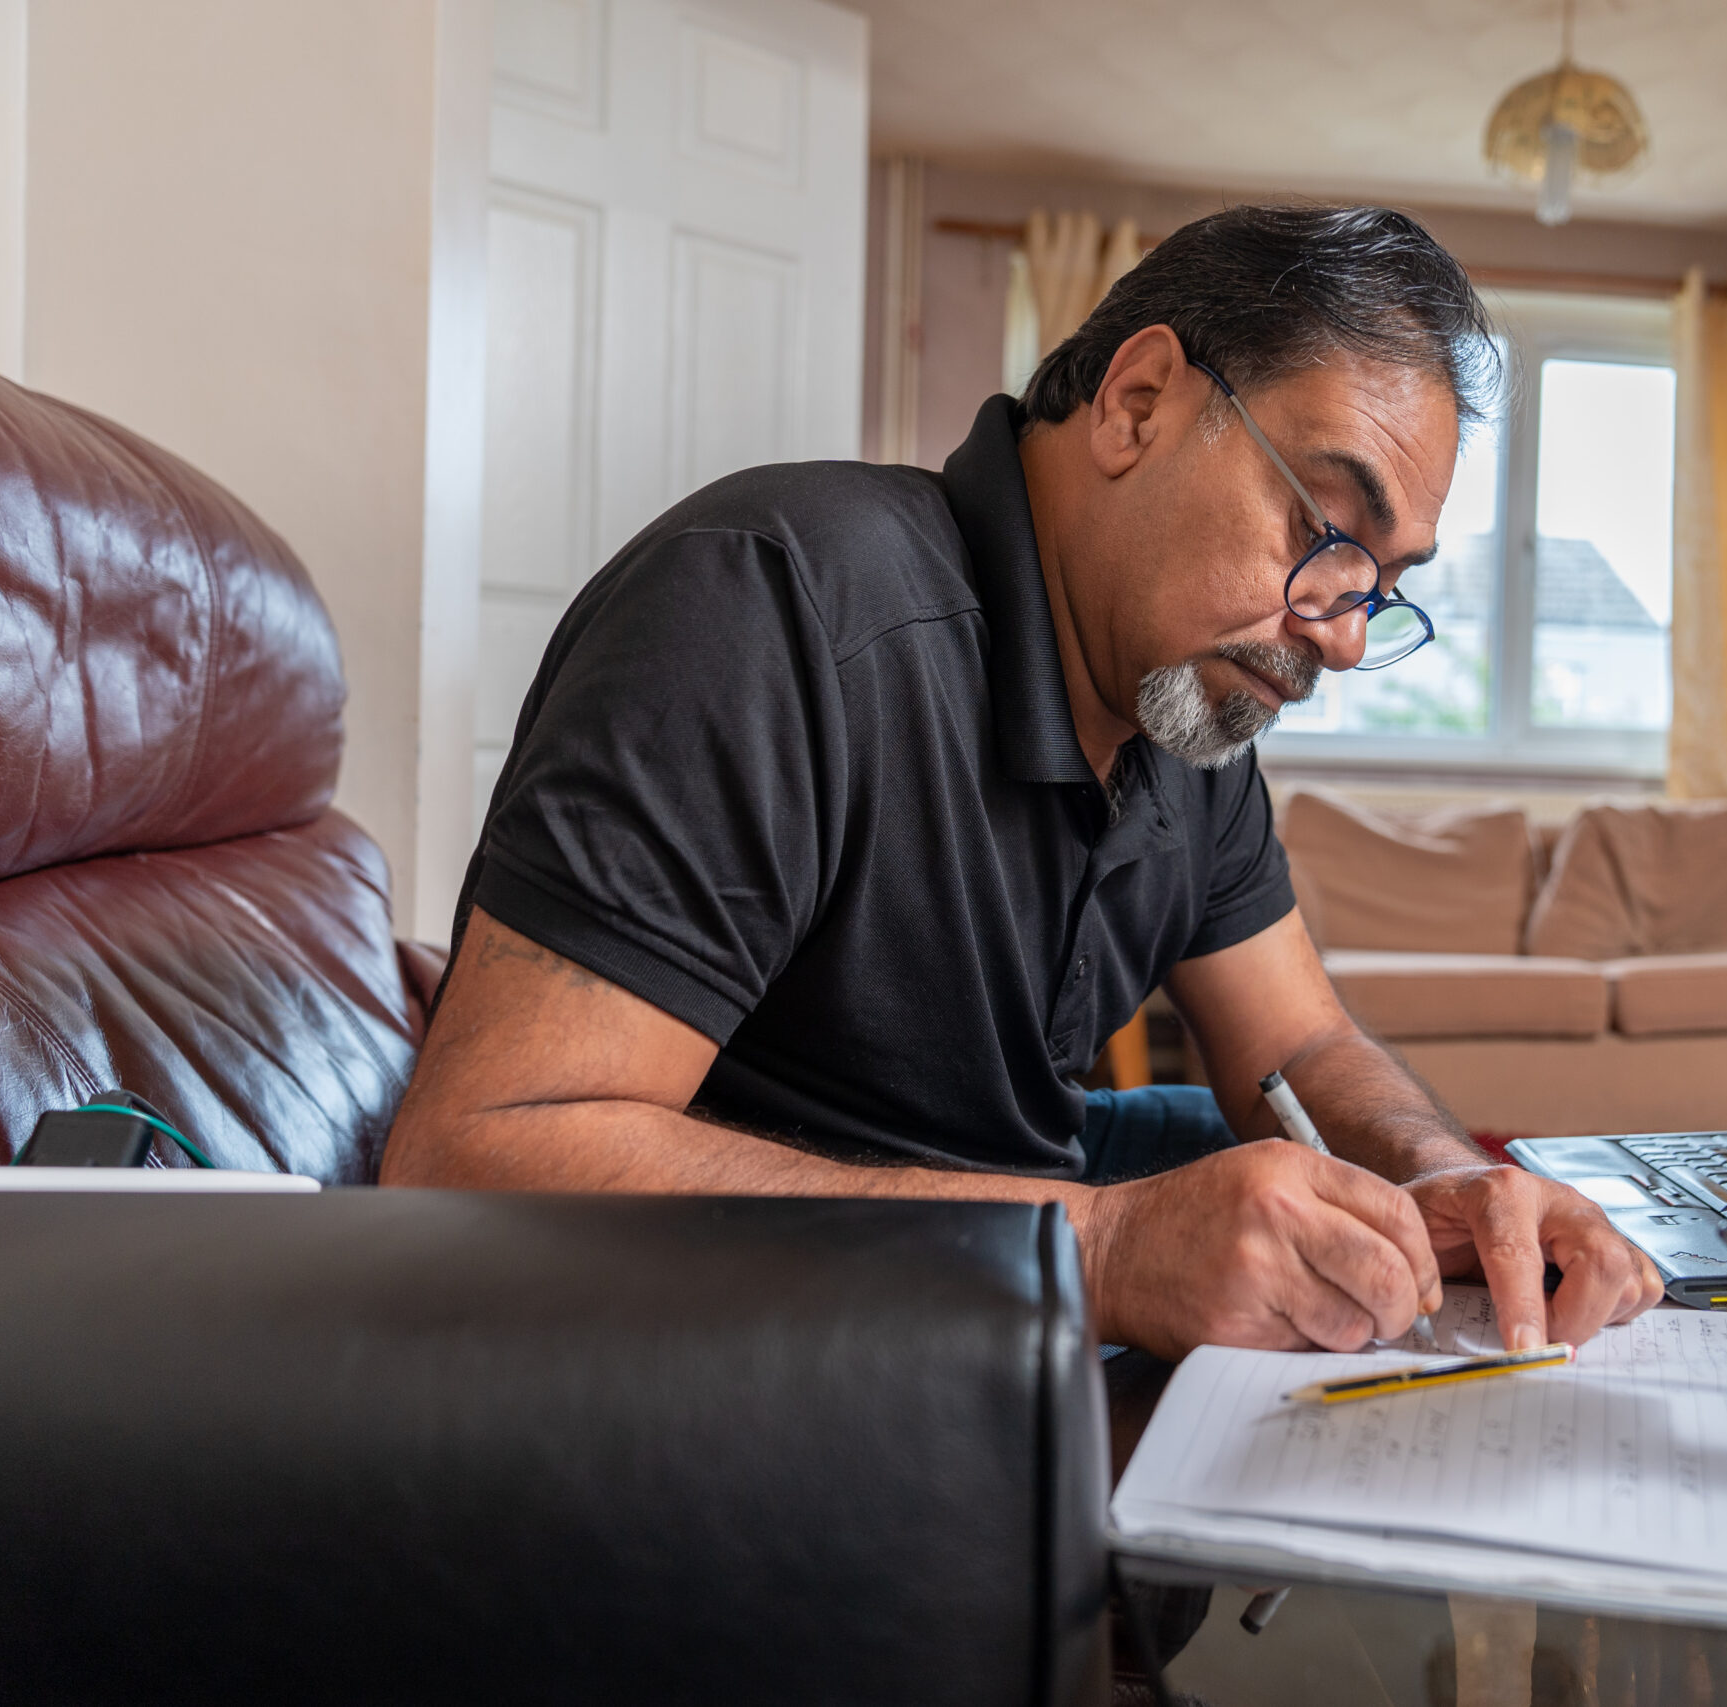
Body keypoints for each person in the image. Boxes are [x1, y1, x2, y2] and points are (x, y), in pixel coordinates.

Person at [384, 204, 1662, 1359]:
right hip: (740, 1380)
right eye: (1324, 531)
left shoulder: (1191, 708)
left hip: (988, 1322)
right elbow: (472, 1160)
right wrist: (1096, 1247)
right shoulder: (771, 607)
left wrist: (1445, 1180)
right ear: (1138, 403)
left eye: (1381, 585)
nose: (1338, 631)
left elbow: (1300, 1042)